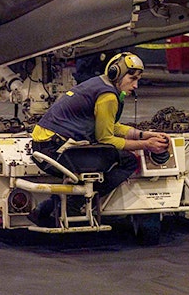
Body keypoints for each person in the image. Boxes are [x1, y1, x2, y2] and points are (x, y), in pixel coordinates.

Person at [27, 52, 170, 226]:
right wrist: (146, 145)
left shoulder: (98, 84)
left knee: (99, 159)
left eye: (138, 80)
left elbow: (110, 126)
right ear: (116, 74)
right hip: (55, 150)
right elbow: (106, 139)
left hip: (45, 146)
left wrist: (143, 134)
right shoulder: (108, 97)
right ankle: (73, 205)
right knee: (127, 161)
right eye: (132, 79)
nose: (135, 85)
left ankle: (46, 208)